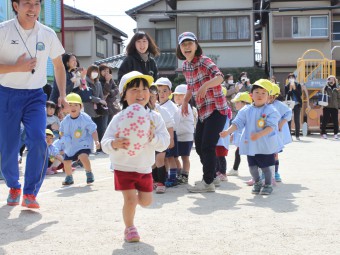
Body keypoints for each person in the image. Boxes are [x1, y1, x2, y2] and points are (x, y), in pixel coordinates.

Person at [0, 0, 67, 209]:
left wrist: (62, 94)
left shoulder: (47, 33)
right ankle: (13, 186)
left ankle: (30, 192)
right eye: (27, 3)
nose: (32, 8)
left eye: (36, 4)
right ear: (15, 5)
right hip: (6, 94)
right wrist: (17, 67)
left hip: (35, 96)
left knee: (39, 140)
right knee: (8, 147)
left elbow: (58, 66)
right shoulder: (3, 30)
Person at [101, 71, 170, 242]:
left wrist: (153, 138)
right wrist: (114, 144)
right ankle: (130, 228)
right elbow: (105, 142)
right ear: (124, 95)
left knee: (146, 201)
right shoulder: (118, 117)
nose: (140, 93)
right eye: (134, 90)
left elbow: (165, 142)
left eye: (144, 89)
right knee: (130, 200)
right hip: (122, 167)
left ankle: (131, 219)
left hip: (145, 167)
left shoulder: (154, 117)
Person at [176, 32, 228, 193]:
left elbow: (220, 77)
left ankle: (208, 182)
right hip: (203, 111)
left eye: (190, 43)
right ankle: (212, 177)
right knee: (199, 145)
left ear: (196, 45)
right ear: (180, 49)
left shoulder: (204, 61)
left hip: (217, 108)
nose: (187, 47)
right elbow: (191, 86)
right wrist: (185, 101)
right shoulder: (185, 66)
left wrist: (206, 86)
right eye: (183, 45)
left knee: (207, 146)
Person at [220, 79, 281, 195]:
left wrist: (259, 135)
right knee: (252, 167)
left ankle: (267, 184)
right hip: (251, 145)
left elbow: (272, 127)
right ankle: (257, 182)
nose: (260, 95)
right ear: (251, 95)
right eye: (257, 92)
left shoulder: (270, 110)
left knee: (265, 167)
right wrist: (227, 131)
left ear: (268, 97)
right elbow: (237, 123)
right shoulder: (246, 110)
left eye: (264, 93)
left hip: (265, 145)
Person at [59, 93, 99, 186]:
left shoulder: (84, 118)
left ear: (80, 106)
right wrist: (61, 144)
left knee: (83, 156)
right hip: (71, 145)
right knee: (66, 162)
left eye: (76, 105)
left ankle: (89, 173)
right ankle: (69, 177)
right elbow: (62, 133)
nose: (73, 107)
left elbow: (93, 130)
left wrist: (96, 140)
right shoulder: (65, 121)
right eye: (70, 105)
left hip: (83, 143)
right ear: (66, 107)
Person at [154, 77, 179, 186]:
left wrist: (171, 138)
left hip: (170, 134)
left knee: (171, 157)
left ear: (170, 92)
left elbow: (172, 123)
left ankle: (173, 178)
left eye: (165, 91)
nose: (161, 94)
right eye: (158, 91)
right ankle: (165, 176)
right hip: (163, 135)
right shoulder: (158, 106)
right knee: (163, 158)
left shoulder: (171, 106)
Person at [268, 83, 292, 182]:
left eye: (270, 96)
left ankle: (276, 173)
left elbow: (289, 112)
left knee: (275, 153)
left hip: (276, 133)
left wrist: (281, 123)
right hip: (266, 133)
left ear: (274, 96)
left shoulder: (278, 104)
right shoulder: (262, 104)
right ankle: (266, 173)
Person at [226, 92, 252, 177]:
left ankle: (256, 172)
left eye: (237, 102)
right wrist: (233, 133)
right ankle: (235, 169)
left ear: (244, 102)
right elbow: (238, 124)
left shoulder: (245, 110)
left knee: (250, 155)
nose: (235, 104)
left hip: (247, 138)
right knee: (239, 152)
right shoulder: (245, 110)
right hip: (244, 138)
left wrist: (229, 132)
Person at [173, 84, 195, 184]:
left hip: (186, 136)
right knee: (176, 157)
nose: (177, 97)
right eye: (176, 95)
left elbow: (176, 121)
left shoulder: (186, 107)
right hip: (179, 136)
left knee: (185, 157)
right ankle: (179, 173)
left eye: (181, 95)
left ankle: (185, 175)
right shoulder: (178, 107)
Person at [320, 75, 340, 139]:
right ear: (328, 80)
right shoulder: (326, 87)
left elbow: (339, 98)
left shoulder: (337, 88)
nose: (331, 81)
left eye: (332, 79)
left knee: (335, 121)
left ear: (335, 81)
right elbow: (322, 93)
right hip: (327, 106)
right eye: (330, 79)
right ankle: (323, 133)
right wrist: (325, 85)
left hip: (334, 107)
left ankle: (336, 134)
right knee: (325, 120)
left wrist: (339, 107)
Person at [285, 73, 302, 140]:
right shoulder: (286, 86)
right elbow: (286, 96)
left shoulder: (298, 85)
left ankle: (297, 135)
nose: (291, 79)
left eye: (292, 78)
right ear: (288, 79)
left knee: (296, 120)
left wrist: (295, 89)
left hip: (297, 104)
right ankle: (289, 136)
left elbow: (300, 94)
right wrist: (290, 90)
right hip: (289, 104)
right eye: (290, 78)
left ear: (295, 79)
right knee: (289, 120)